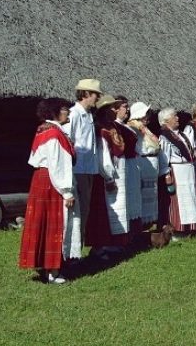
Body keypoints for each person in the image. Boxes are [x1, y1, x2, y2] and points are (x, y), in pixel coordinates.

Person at [19, 98, 80, 284]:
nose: (67, 112)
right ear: (54, 112)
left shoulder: (42, 130)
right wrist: (67, 192)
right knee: (55, 223)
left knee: (44, 223)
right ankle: (53, 270)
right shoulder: (54, 134)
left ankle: (48, 267)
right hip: (53, 183)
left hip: (42, 180)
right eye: (64, 110)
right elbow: (58, 164)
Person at [85, 95, 131, 258]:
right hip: (106, 175)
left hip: (118, 170)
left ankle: (114, 242)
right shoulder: (101, 129)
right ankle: (100, 245)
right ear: (105, 110)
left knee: (118, 209)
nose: (115, 110)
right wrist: (108, 176)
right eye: (112, 108)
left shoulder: (112, 127)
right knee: (103, 211)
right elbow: (103, 155)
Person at [63, 78, 102, 241]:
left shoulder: (88, 115)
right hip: (77, 169)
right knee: (78, 212)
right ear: (86, 94)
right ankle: (72, 253)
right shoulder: (74, 114)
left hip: (88, 168)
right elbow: (66, 140)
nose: (98, 98)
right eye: (95, 94)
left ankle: (77, 250)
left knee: (84, 210)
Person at [158, 108, 196, 240]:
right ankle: (176, 231)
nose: (177, 118)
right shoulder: (165, 137)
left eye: (177, 116)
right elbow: (164, 158)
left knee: (190, 200)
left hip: (187, 171)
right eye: (174, 116)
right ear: (166, 121)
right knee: (177, 201)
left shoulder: (182, 135)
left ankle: (188, 228)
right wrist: (166, 174)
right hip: (177, 171)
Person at [113, 95, 143, 234]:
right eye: (125, 107)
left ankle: (135, 233)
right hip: (123, 166)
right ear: (116, 109)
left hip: (133, 165)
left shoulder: (126, 127)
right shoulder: (115, 126)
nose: (128, 109)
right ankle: (126, 233)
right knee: (126, 199)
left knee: (134, 199)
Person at [127, 102, 160, 227]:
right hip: (143, 162)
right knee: (142, 195)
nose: (147, 117)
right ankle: (141, 224)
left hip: (151, 164)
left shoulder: (146, 129)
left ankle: (148, 223)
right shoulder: (134, 127)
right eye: (144, 115)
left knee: (151, 196)